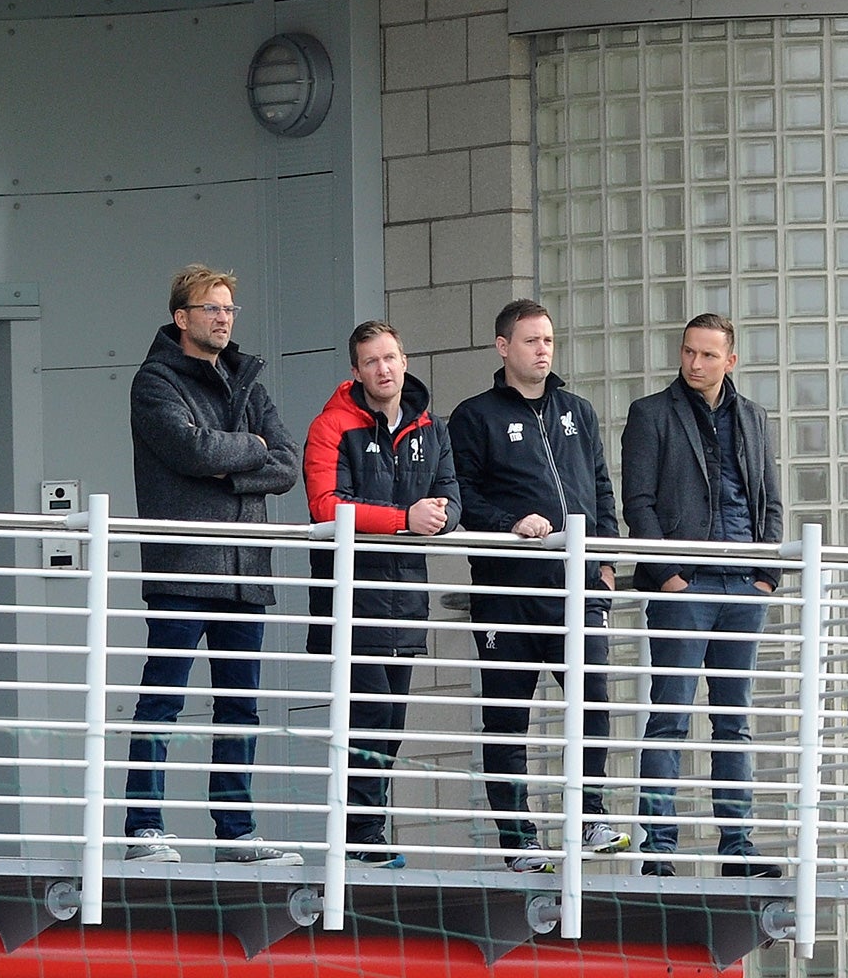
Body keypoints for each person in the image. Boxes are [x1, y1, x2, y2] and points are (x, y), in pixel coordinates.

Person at [123, 264, 303, 865]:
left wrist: (237, 457)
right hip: (183, 566)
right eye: (212, 309)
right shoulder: (154, 382)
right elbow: (190, 449)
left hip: (246, 570)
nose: (223, 318)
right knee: (163, 700)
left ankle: (236, 832)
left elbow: (286, 464)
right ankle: (144, 827)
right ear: (182, 318)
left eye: (230, 309)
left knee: (240, 706)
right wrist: (246, 450)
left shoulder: (248, 379)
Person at [449, 298, 626, 872]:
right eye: (530, 341)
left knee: (591, 698)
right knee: (508, 715)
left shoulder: (578, 410)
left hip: (577, 587)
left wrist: (604, 563)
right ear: (503, 348)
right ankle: (518, 839)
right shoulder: (475, 417)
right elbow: (462, 498)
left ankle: (591, 816)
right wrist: (510, 524)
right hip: (507, 592)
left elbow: (600, 489)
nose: (543, 349)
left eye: (548, 340)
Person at [622, 314, 785, 878]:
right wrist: (669, 576)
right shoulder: (650, 414)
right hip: (684, 586)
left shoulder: (754, 417)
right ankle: (658, 849)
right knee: (669, 715)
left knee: (733, 720)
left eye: (708, 355)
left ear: (730, 361)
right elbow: (637, 504)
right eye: (689, 352)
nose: (695, 364)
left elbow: (771, 501)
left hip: (744, 584)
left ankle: (737, 849)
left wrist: (767, 576)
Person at [302, 320, 460, 866]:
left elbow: (451, 497)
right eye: (371, 362)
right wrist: (403, 519)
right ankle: (362, 834)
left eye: (390, 357)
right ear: (355, 372)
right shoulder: (331, 426)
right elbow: (326, 505)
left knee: (391, 725)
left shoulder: (429, 427)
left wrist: (439, 517)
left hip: (405, 597)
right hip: (353, 599)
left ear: (404, 358)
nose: (383, 369)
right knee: (367, 718)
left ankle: (365, 831)